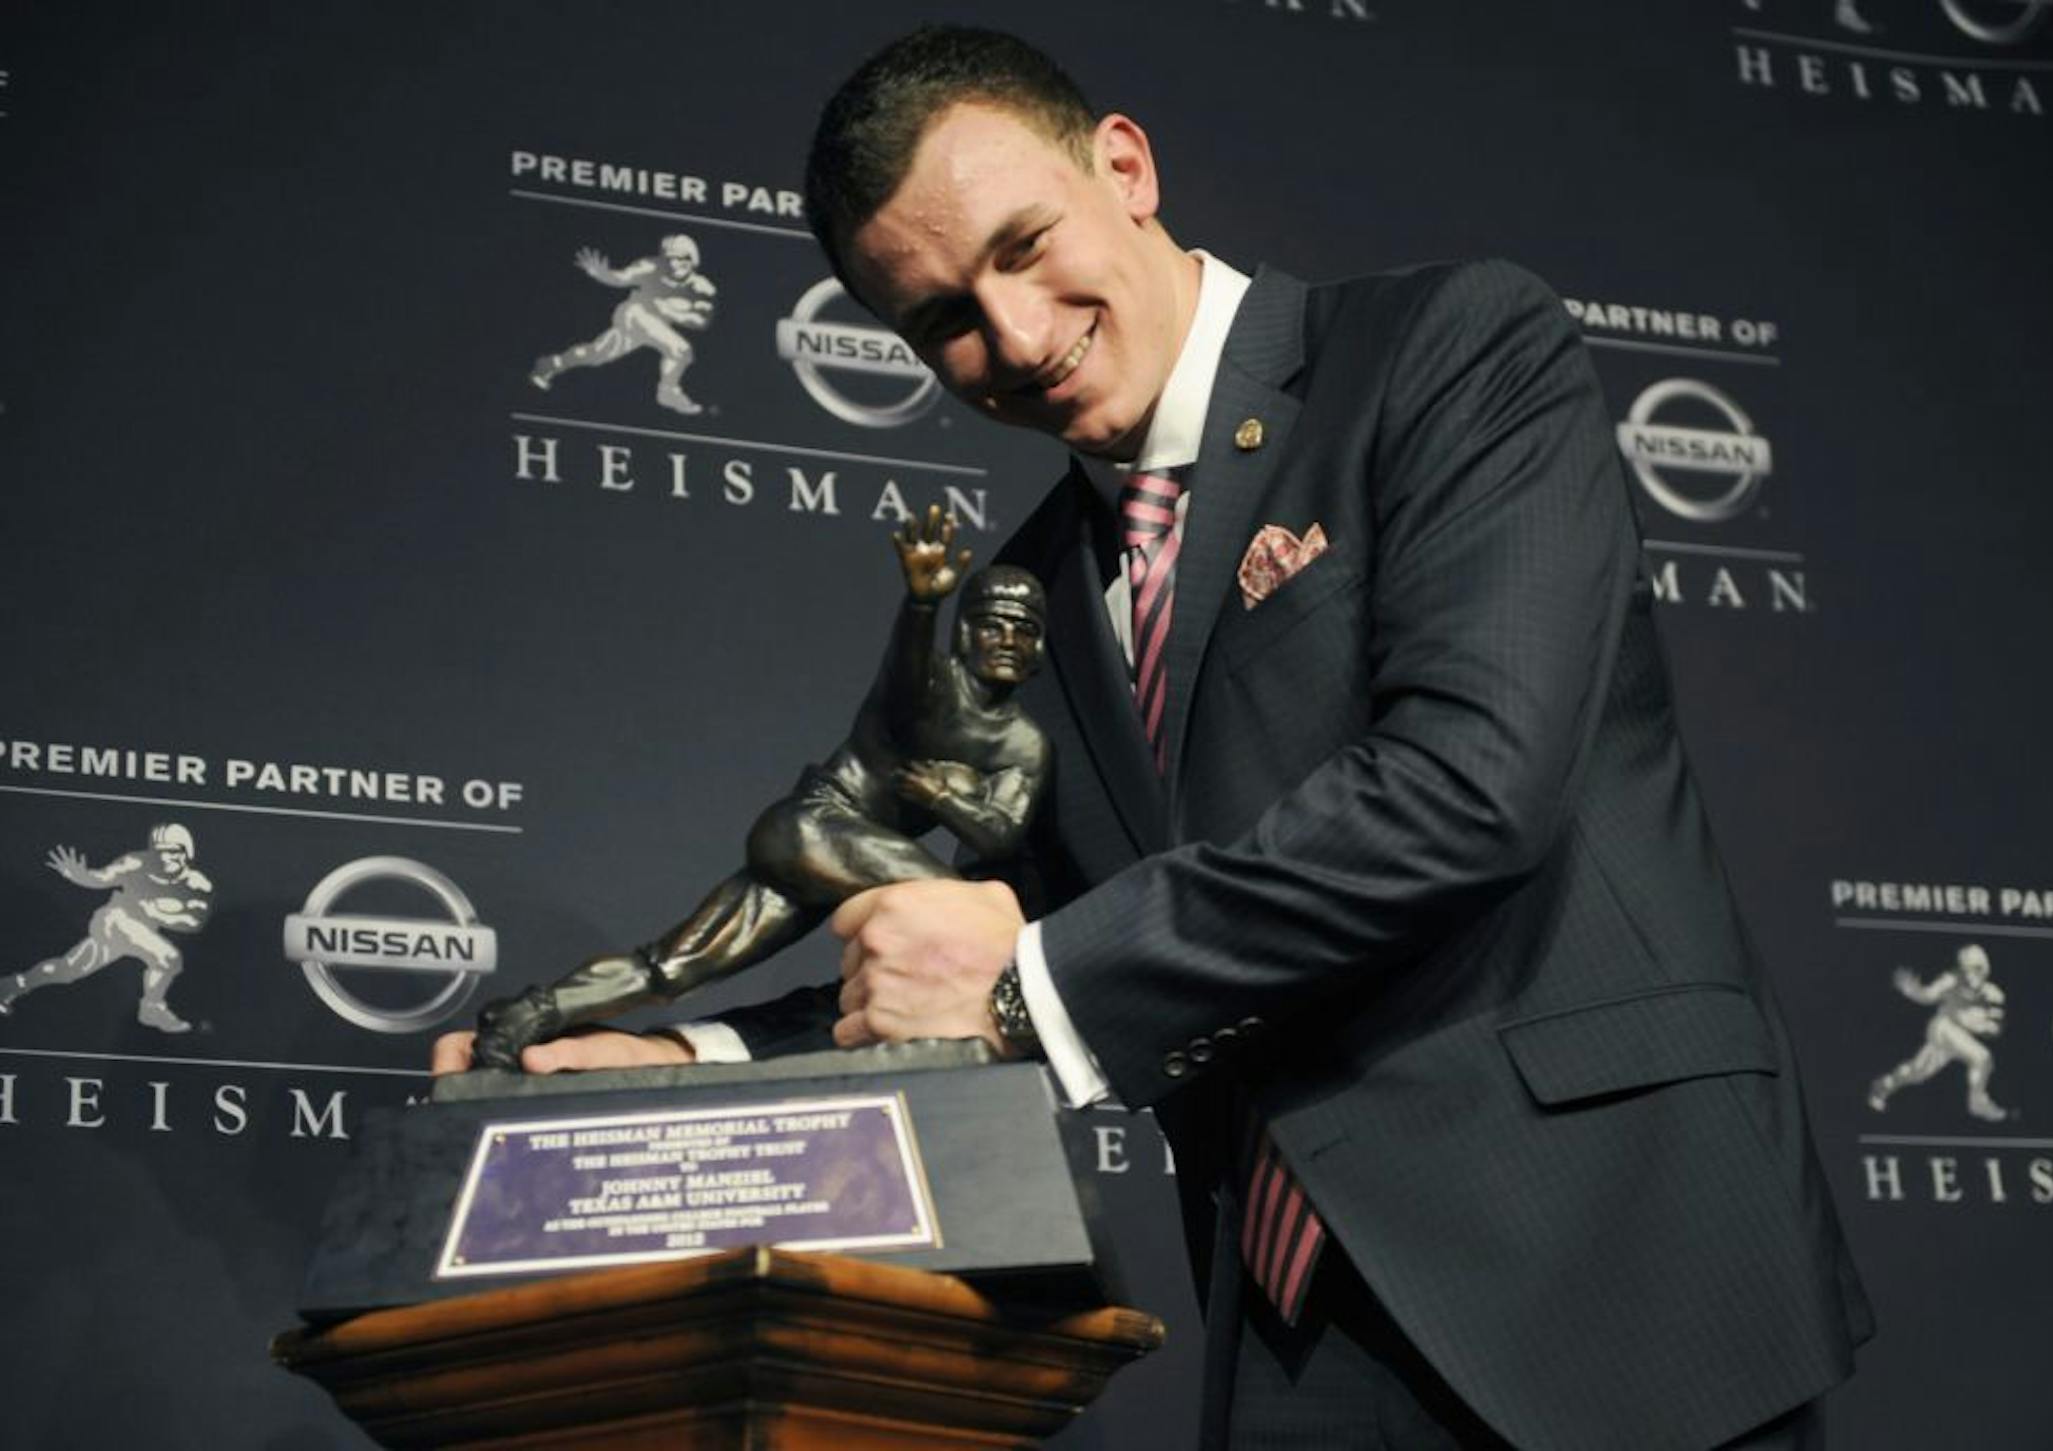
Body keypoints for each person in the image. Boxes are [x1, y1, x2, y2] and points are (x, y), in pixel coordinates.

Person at [437, 27, 1871, 1448]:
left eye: (1021, 246)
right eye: (939, 317)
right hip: (1293, 1320)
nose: (1009, 336)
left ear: (1123, 165)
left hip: (1609, 1263)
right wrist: (694, 1068)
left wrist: (1019, 984)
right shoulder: (1028, 598)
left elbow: (1469, 787)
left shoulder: (1449, 347)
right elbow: (1042, 949)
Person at [465, 506, 1051, 1071]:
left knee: (674, 966)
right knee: (965, 924)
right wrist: (922, 604)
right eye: (991, 624)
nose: (1006, 639)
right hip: (813, 827)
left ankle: (528, 1015)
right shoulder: (931, 685)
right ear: (965, 633)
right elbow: (904, 677)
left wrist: (943, 798)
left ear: (1039, 650)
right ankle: (947, 1058)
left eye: (1022, 630)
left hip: (842, 860)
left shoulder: (1025, 745)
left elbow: (999, 835)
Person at [0, 823, 211, 1032]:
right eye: (160, 852)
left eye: (172, 852)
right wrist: (82, 876)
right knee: (168, 957)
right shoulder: (135, 863)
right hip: (116, 922)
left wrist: (159, 914)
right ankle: (151, 1009)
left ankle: (14, 984)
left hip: (138, 932)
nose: (165, 858)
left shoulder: (196, 885)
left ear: (186, 852)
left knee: (66, 969)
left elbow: (193, 923)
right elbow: (102, 877)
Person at [529, 234, 715, 415]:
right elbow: (622, 277)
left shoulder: (702, 287)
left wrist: (671, 312)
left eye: (682, 259)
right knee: (680, 349)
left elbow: (701, 321)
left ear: (693, 259)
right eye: (671, 259)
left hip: (654, 324)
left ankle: (552, 364)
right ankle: (667, 391)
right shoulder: (651, 266)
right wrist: (603, 274)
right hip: (635, 313)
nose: (675, 264)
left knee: (596, 354)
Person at [1866, 943, 2008, 1121]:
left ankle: (1884, 1085)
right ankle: (1977, 1102)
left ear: (1985, 968)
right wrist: (1911, 990)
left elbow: (1995, 1030)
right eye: (1966, 969)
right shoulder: (1951, 980)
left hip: (1958, 1037)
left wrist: (1981, 1025)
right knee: (1982, 1058)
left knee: (1917, 1072)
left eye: (1976, 968)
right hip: (1943, 1027)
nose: (1970, 974)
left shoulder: (1994, 994)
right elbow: (1928, 996)